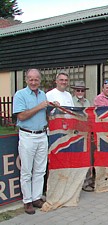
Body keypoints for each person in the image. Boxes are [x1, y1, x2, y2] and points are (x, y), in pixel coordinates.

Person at [13, 69, 49, 215]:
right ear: (26, 80)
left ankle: (36, 197)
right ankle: (27, 201)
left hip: (42, 135)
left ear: (40, 80)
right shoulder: (20, 95)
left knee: (40, 170)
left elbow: (45, 113)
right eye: (31, 79)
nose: (33, 82)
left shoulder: (43, 95)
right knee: (27, 170)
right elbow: (21, 116)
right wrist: (39, 106)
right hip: (27, 135)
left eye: (36, 79)